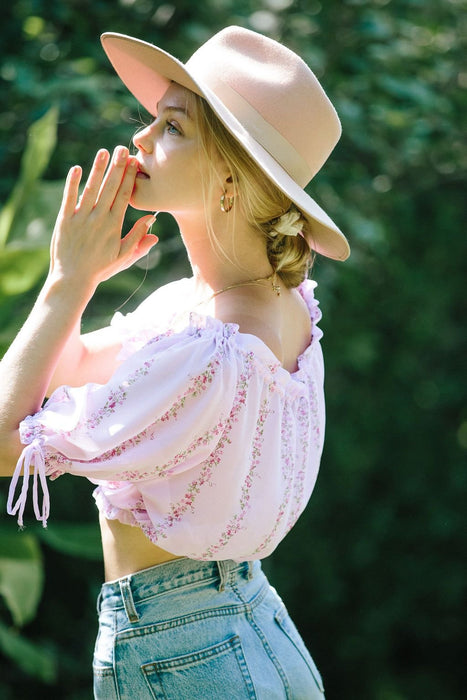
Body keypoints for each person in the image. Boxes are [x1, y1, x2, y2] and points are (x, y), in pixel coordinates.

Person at [0, 26, 350, 699]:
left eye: (172, 127)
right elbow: (63, 372)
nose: (140, 141)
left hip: (181, 657)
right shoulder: (267, 306)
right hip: (251, 631)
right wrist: (85, 278)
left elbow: (1, 444)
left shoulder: (210, 352)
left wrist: (63, 284)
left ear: (229, 175)